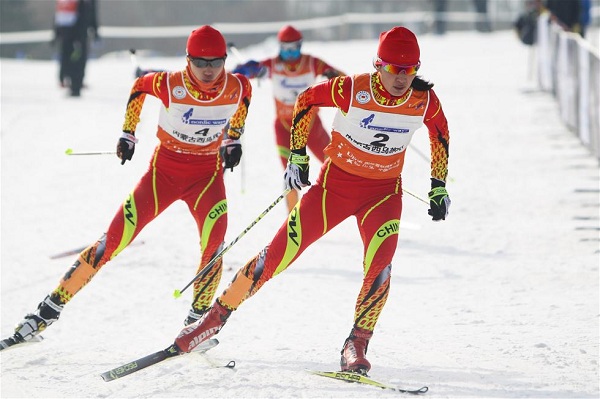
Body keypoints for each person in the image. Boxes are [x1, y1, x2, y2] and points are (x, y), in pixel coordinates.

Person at [173, 26, 451, 374]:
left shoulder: (423, 99)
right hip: (332, 191)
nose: (401, 78)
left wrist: (437, 186)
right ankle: (211, 320)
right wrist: (298, 156)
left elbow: (440, 132)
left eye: (409, 70)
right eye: (394, 69)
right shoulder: (353, 88)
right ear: (379, 65)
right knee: (276, 256)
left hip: (382, 196)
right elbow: (305, 99)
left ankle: (357, 344)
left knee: (380, 269)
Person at [2, 26, 253, 349]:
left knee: (214, 245)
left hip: (207, 179)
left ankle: (197, 323)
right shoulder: (170, 83)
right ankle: (47, 310)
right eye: (200, 62)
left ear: (224, 60)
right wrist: (128, 134)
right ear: (187, 59)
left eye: (215, 62)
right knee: (111, 242)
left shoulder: (238, 85)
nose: (208, 70)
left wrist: (233, 138)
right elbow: (139, 87)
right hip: (162, 177)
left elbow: (243, 104)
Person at [232, 25, 344, 213]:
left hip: (311, 126)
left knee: (334, 165)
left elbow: (345, 80)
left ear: (301, 46)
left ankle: (343, 203)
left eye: (295, 48)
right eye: (286, 49)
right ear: (279, 47)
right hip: (284, 128)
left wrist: (334, 76)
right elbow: (237, 75)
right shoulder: (273, 65)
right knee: (290, 175)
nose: (291, 54)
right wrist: (245, 68)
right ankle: (293, 219)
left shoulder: (311, 63)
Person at [53, 0, 99, 97]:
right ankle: (73, 83)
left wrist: (56, 33)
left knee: (73, 57)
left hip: (71, 32)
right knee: (76, 58)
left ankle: (72, 82)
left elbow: (59, 14)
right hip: (75, 33)